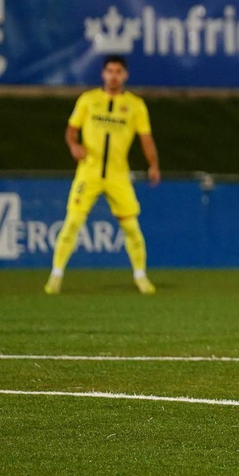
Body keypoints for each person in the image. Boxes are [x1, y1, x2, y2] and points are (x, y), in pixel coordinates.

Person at [46, 56, 160, 296]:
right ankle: (55, 276)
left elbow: (146, 138)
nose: (114, 75)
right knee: (73, 222)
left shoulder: (135, 105)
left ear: (125, 75)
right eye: (110, 71)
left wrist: (153, 165)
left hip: (118, 175)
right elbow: (71, 130)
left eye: (118, 71)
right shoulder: (89, 100)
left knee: (131, 228)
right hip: (89, 172)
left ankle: (140, 277)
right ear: (103, 74)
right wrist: (73, 145)